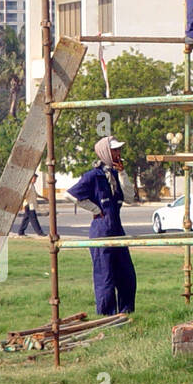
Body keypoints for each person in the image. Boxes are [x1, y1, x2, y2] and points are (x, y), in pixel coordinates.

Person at [68, 135, 137, 316]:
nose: (118, 153)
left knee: (126, 274)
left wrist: (122, 173)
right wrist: (95, 208)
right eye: (114, 150)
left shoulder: (116, 175)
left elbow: (130, 197)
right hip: (101, 230)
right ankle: (106, 315)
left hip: (117, 230)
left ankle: (125, 312)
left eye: (119, 150)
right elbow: (72, 195)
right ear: (105, 152)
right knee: (105, 276)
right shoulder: (94, 176)